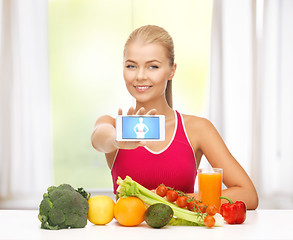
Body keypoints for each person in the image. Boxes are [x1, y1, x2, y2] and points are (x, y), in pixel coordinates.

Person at [91, 25, 258, 210]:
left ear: (172, 71)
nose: (139, 76)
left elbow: (247, 194)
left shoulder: (197, 129)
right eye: (131, 66)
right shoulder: (112, 126)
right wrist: (117, 139)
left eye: (152, 66)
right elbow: (99, 139)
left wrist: (172, 200)